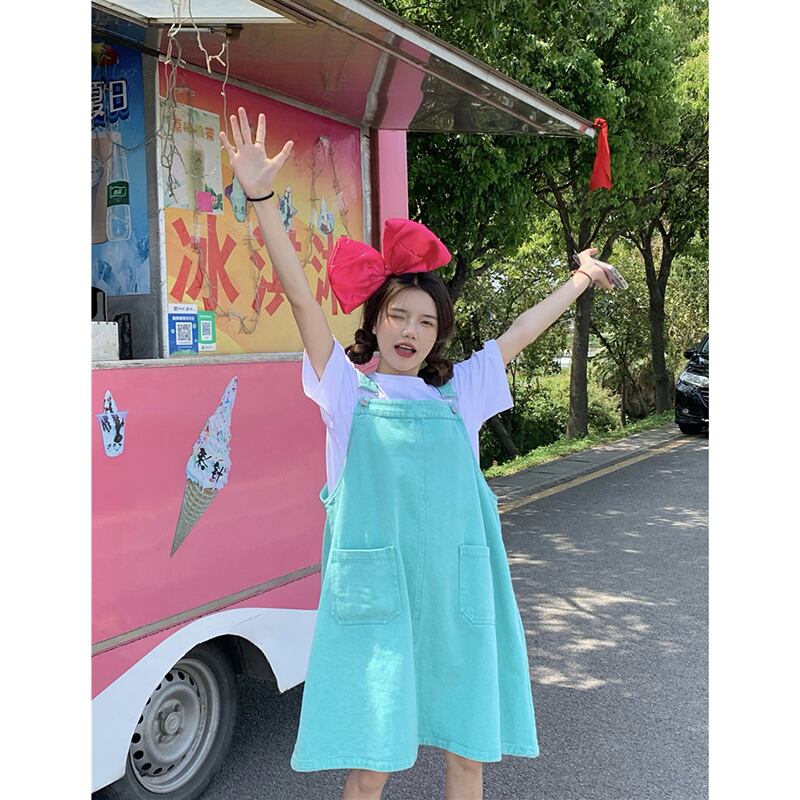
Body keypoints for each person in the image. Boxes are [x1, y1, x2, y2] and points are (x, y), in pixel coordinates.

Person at [220, 107, 612, 800]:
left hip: (458, 596)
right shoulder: (347, 392)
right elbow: (303, 303)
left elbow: (521, 330)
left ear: (438, 335)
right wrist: (260, 198)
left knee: (467, 753)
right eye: (398, 314)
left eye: (427, 321)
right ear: (374, 322)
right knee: (371, 763)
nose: (411, 330)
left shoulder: (461, 395)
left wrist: (581, 277)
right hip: (379, 602)